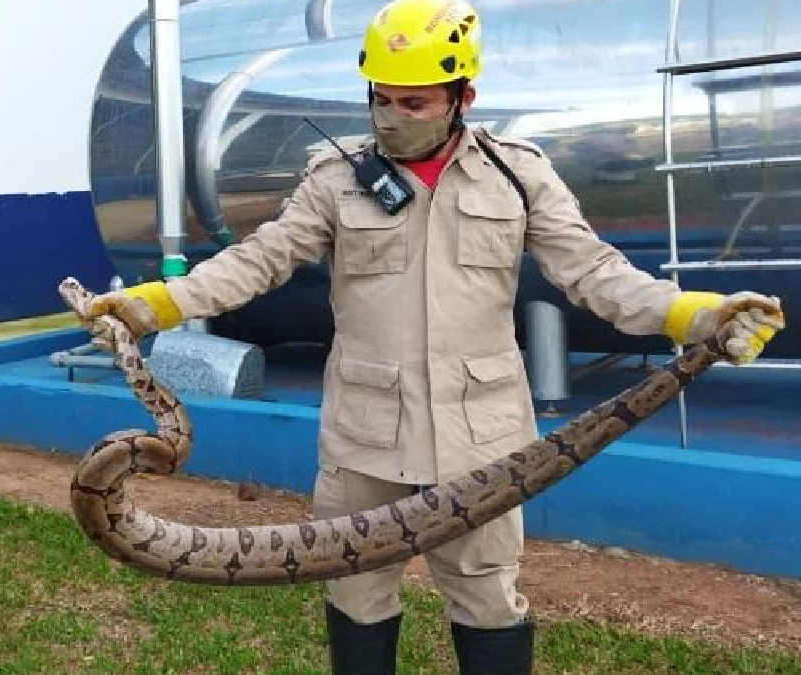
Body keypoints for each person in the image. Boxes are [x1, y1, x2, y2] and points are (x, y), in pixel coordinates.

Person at [79, 1, 785, 673]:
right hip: (366, 434)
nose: (392, 117)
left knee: (485, 594)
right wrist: (155, 304)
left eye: (413, 102)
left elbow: (595, 272)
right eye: (380, 99)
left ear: (462, 97)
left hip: (480, 438)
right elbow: (260, 257)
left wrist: (698, 314)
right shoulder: (335, 178)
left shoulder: (518, 173)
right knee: (356, 591)